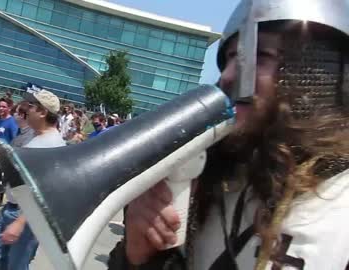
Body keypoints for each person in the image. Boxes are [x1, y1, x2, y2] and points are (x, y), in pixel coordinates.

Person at [108, 1, 349, 269]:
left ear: (319, 74)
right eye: (231, 58)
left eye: (260, 55)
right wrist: (139, 257)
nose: (228, 76)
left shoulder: (341, 202)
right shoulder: (208, 181)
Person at [0, 89, 65, 270]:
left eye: (31, 107)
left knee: (17, 265)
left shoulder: (52, 146)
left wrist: (20, 223)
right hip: (10, 207)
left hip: (26, 216)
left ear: (43, 112)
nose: (25, 110)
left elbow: (46, 192)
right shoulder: (35, 137)